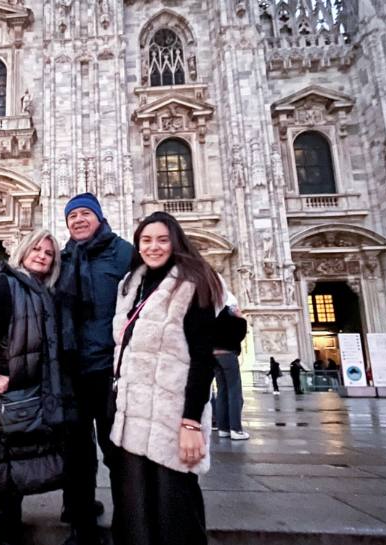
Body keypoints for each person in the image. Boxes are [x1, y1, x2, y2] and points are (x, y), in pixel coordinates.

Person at [109, 211, 222, 545]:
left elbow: (202, 360)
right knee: (136, 511)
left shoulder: (193, 282)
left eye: (161, 239)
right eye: (146, 240)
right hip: (132, 416)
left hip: (171, 417)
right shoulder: (131, 284)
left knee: (175, 509)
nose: (153, 247)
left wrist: (190, 423)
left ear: (175, 242)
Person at [0, 229, 71, 545]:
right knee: (7, 460)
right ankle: (7, 529)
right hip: (7, 392)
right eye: (36, 249)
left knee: (23, 457)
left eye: (48, 252)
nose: (41, 255)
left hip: (34, 389)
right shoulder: (7, 283)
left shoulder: (44, 290)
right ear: (23, 252)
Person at [56, 192, 134, 545]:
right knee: (76, 451)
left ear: (99, 217)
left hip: (110, 370)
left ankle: (128, 521)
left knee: (116, 449)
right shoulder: (63, 258)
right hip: (72, 369)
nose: (78, 220)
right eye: (73, 216)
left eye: (85, 213)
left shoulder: (124, 253)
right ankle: (81, 521)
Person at [213, 293, 249, 441]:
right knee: (234, 392)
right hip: (228, 355)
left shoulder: (212, 314)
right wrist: (240, 318)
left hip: (214, 355)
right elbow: (240, 334)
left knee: (221, 391)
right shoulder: (230, 315)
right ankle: (236, 429)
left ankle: (223, 428)